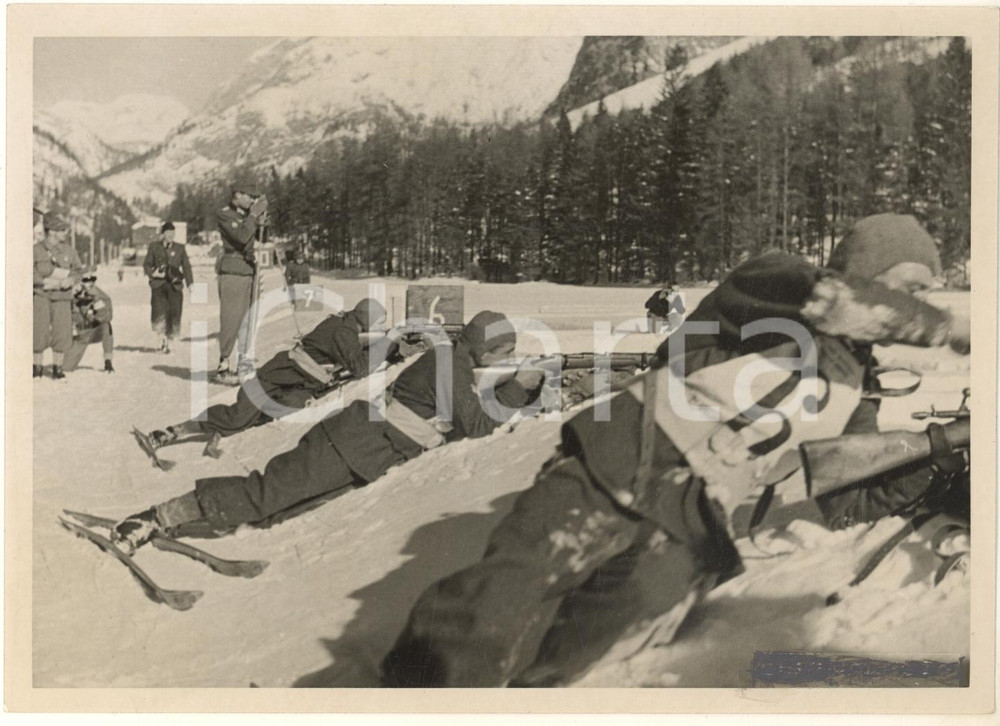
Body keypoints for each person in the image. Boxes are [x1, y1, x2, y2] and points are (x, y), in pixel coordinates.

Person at [380, 213, 971, 688]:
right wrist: (942, 327)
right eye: (911, 284)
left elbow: (846, 496)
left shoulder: (853, 385)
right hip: (613, 465)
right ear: (870, 271)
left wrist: (939, 452)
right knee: (491, 605)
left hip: (690, 527)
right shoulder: (778, 286)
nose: (921, 299)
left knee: (594, 646)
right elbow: (837, 300)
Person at [110, 310, 546, 552]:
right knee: (265, 493)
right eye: (506, 351)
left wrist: (513, 386)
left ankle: (206, 514)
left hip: (365, 451)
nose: (511, 357)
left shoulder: (458, 362)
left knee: (280, 507)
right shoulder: (449, 363)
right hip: (348, 445)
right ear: (484, 347)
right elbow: (476, 425)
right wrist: (520, 389)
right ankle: (154, 517)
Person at [136, 298, 397, 459]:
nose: (381, 327)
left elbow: (360, 349)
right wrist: (388, 342)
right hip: (275, 376)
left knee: (282, 409)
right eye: (379, 323)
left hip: (297, 384)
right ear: (366, 321)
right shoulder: (344, 332)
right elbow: (361, 368)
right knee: (237, 416)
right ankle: (170, 432)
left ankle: (224, 428)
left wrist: (393, 345)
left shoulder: (348, 325)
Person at [216, 180, 268, 382]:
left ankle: (244, 362)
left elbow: (262, 238)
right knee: (231, 318)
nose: (253, 200)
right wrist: (254, 216)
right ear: (237, 195)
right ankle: (223, 363)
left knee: (249, 319)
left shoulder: (248, 217)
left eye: (255, 197)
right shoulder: (225, 214)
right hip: (233, 270)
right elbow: (240, 237)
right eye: (250, 196)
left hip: (249, 270)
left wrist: (263, 221)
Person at [33, 213, 84, 379]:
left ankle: (58, 368)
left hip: (62, 297)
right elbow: (27, 271)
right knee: (38, 331)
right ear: (52, 231)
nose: (65, 233)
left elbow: (78, 271)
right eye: (61, 230)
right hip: (41, 295)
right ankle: (36, 368)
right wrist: (42, 281)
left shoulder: (69, 251)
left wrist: (71, 279)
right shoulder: (35, 250)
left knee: (62, 332)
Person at [144, 221, 194, 354]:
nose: (171, 235)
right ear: (163, 234)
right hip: (158, 285)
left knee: (174, 312)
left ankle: (170, 342)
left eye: (173, 233)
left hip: (175, 286)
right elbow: (147, 265)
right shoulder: (154, 247)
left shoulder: (180, 248)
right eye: (168, 233)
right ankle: (161, 341)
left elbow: (187, 266)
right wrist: (154, 273)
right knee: (159, 313)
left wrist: (190, 283)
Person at [63, 273, 115, 373]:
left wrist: (96, 299)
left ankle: (108, 361)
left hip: (94, 330)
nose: (86, 286)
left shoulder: (101, 296)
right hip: (79, 335)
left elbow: (107, 317)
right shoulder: (70, 295)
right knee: (66, 368)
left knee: (106, 327)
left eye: (90, 283)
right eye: (84, 282)